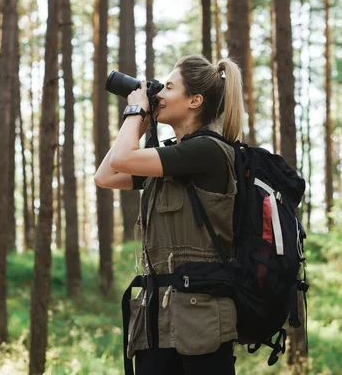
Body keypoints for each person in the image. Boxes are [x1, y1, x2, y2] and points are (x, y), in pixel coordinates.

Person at [94, 54, 245, 375]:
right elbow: (105, 176)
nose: (159, 94)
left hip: (199, 320)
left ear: (195, 101)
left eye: (169, 87)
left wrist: (135, 111)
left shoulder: (207, 151)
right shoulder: (170, 156)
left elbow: (122, 159)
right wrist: (142, 121)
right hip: (156, 320)